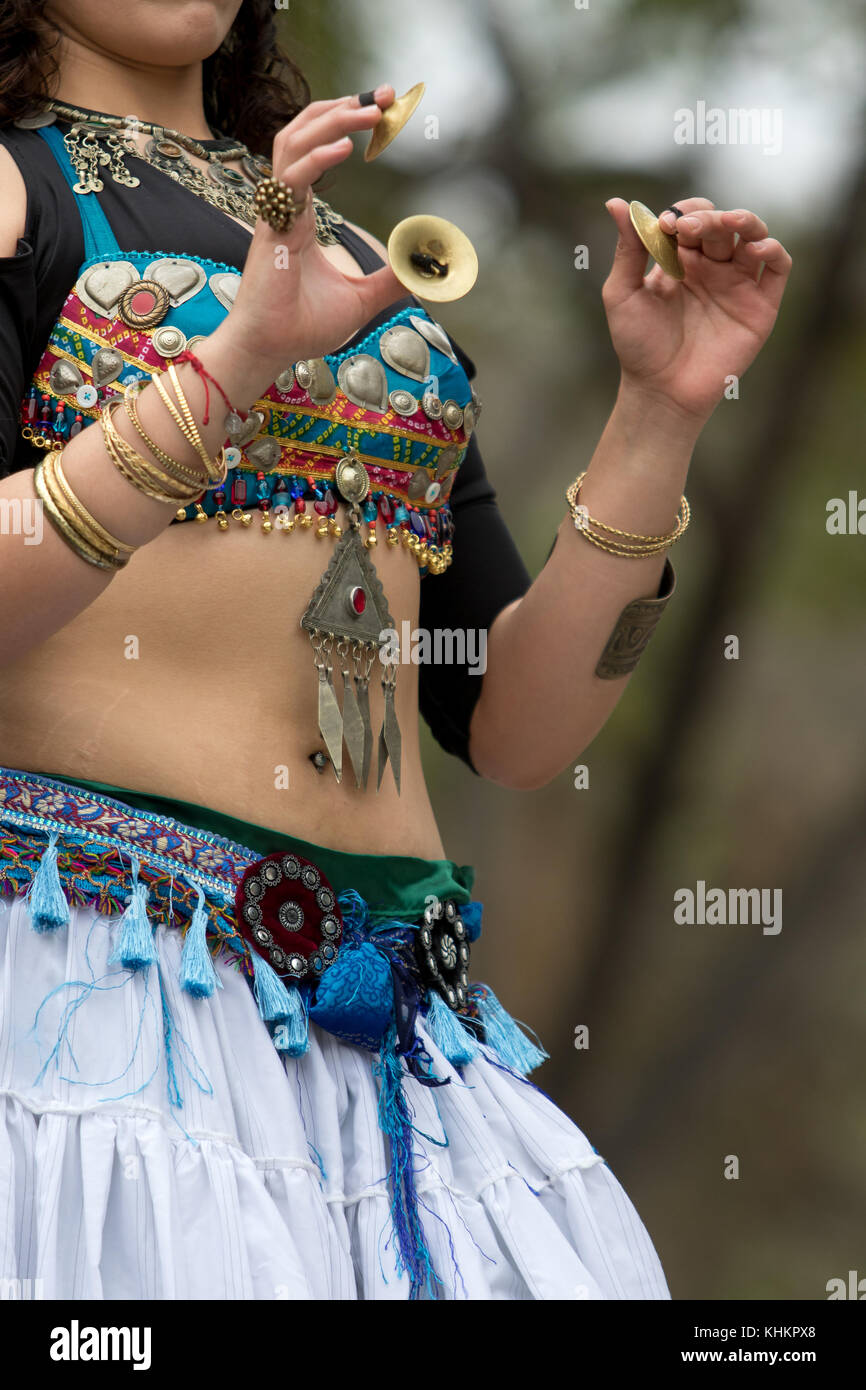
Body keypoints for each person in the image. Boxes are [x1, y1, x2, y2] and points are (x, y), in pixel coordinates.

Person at [0, 0, 791, 1300]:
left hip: (401, 1035)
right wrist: (238, 358)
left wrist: (658, 413)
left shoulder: (362, 256)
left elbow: (516, 727)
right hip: (100, 996)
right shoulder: (19, 190)